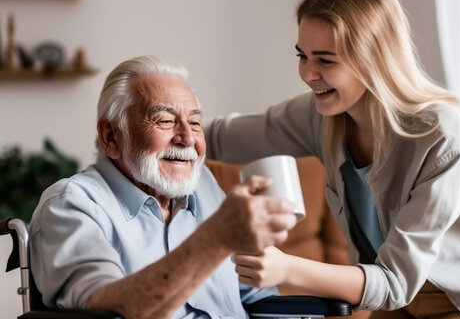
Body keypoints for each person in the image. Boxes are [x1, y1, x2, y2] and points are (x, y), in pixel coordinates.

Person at [204, 0, 460, 319]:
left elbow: (395, 282)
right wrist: (157, 125)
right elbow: (218, 137)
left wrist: (286, 269)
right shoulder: (317, 116)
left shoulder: (439, 134)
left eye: (325, 60)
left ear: (373, 58)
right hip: (393, 284)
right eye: (303, 55)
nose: (308, 74)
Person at [29, 55, 297, 319]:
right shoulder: (71, 204)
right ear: (111, 137)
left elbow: (259, 298)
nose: (188, 138)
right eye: (165, 121)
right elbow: (107, 310)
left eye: (194, 122)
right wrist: (216, 239)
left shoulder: (203, 185)